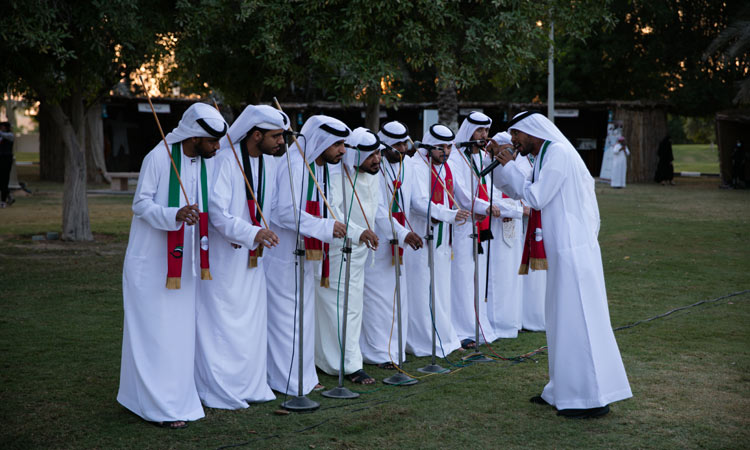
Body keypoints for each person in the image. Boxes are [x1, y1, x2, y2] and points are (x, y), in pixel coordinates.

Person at [491, 111, 632, 419]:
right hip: (561, 252)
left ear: (531, 131)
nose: (514, 140)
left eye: (516, 134)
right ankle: (562, 389)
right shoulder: (544, 154)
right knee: (559, 322)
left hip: (573, 250)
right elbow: (520, 190)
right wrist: (505, 167)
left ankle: (591, 399)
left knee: (578, 321)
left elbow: (536, 197)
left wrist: (507, 165)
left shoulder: (559, 152)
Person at [117, 103, 228, 429]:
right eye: (212, 142)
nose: (217, 148)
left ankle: (174, 398)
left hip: (184, 266)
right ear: (195, 137)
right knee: (155, 336)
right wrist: (173, 215)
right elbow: (140, 203)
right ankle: (157, 406)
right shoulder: (159, 157)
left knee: (177, 337)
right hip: (151, 265)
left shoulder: (201, 163)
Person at [194, 105, 287, 409]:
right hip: (225, 257)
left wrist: (258, 234)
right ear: (256, 134)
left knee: (251, 323)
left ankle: (251, 385)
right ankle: (220, 386)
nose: (281, 142)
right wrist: (248, 233)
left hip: (255, 258)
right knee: (222, 322)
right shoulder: (225, 161)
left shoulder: (271, 164)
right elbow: (217, 212)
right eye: (276, 136)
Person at [265, 115, 348, 396]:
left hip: (304, 256)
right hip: (284, 254)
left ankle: (304, 376)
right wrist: (325, 226)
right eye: (337, 144)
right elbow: (283, 211)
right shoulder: (294, 165)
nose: (343, 151)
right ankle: (286, 380)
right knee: (287, 319)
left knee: (303, 318)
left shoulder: (316, 167)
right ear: (321, 141)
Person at [314, 127, 381, 384]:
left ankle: (344, 360)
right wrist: (359, 232)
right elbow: (333, 214)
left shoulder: (372, 176)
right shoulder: (333, 176)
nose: (376, 159)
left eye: (378, 153)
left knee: (352, 309)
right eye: (370, 154)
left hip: (360, 252)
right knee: (338, 309)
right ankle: (347, 365)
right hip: (335, 251)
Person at [406, 124, 475, 357]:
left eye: (448, 146)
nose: (445, 151)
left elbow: (457, 196)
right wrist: (449, 215)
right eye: (440, 147)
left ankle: (444, 334)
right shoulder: (415, 166)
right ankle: (425, 340)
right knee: (421, 288)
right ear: (428, 146)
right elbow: (418, 202)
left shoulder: (445, 168)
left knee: (441, 287)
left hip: (443, 238)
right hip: (420, 235)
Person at [361, 121, 423, 369]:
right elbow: (376, 211)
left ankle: (395, 350)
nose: (403, 149)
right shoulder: (373, 169)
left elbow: (416, 200)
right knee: (378, 300)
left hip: (400, 240)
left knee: (398, 297)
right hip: (377, 241)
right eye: (396, 145)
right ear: (384, 145)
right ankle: (378, 353)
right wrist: (402, 233)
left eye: (405, 143)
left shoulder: (406, 164)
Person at [447, 112, 496, 349]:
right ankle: (461, 328)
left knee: (476, 276)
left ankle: (477, 324)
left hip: (478, 223)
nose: (484, 136)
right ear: (468, 132)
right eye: (479, 131)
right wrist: (487, 207)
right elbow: (462, 194)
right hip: (461, 224)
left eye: (486, 131)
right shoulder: (455, 157)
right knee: (462, 277)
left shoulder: (480, 157)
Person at [484, 132, 527, 338]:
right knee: (497, 276)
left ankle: (512, 321)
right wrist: (518, 210)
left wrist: (518, 208)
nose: (512, 151)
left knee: (513, 276)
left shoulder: (514, 164)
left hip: (513, 230)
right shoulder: (487, 165)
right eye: (507, 147)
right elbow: (489, 198)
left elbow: (521, 193)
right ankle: (497, 324)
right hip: (493, 228)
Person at [0, 121, 15, 207]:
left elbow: (3, 135)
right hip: (1, 159)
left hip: (6, 160)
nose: (1, 128)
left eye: (3, 127)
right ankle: (9, 195)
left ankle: (3, 201)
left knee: (4, 180)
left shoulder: (10, 135)